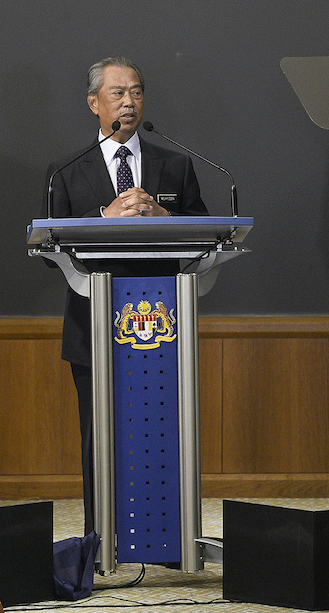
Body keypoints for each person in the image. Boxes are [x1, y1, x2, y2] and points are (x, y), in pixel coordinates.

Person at [45, 57, 208, 535]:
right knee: (98, 436)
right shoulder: (65, 172)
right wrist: (104, 216)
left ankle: (167, 539)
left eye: (136, 92)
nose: (129, 102)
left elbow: (205, 232)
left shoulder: (174, 165)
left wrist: (165, 218)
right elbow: (49, 246)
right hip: (93, 323)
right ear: (93, 103)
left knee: (161, 432)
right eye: (117, 93)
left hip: (161, 323)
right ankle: (100, 539)